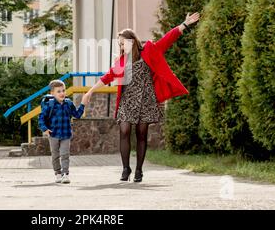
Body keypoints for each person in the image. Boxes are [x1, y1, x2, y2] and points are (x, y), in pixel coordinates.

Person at [82, 12, 200, 182]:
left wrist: (185, 24)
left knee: (142, 134)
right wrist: (90, 91)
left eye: (124, 43)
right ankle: (125, 169)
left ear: (132, 41)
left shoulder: (149, 50)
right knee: (124, 131)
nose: (122, 47)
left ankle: (139, 170)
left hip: (146, 99)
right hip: (127, 100)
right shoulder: (121, 62)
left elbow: (167, 39)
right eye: (120, 45)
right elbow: (107, 77)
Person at [39, 79, 88, 184]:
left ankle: (65, 174)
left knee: (65, 154)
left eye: (63, 90)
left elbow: (77, 115)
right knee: (55, 155)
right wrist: (45, 129)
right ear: (52, 93)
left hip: (66, 134)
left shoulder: (68, 104)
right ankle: (58, 173)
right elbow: (41, 118)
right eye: (58, 91)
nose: (62, 93)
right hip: (53, 134)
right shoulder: (49, 104)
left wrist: (83, 103)